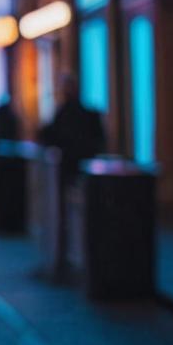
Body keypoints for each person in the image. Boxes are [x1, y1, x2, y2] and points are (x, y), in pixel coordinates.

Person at [38, 73, 106, 281]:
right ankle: (81, 256)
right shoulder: (85, 113)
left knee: (69, 216)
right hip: (82, 172)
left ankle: (70, 257)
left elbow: (48, 136)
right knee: (81, 215)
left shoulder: (67, 113)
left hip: (70, 171)